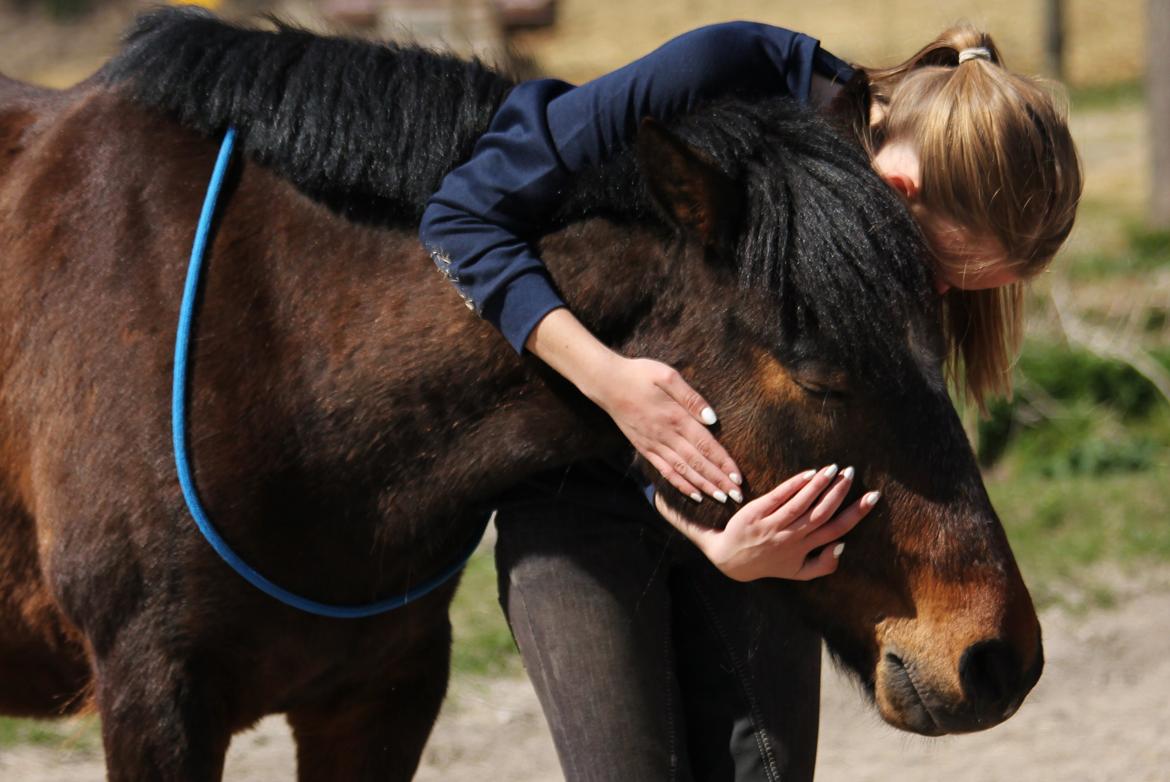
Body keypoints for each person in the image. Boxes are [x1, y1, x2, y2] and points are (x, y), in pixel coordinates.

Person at [419, 21, 1081, 781]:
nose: (925, 298)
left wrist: (730, 550)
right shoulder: (727, 70)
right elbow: (457, 222)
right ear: (897, 195)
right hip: (585, 478)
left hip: (761, 509)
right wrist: (609, 381)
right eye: (937, 274)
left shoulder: (893, 217)